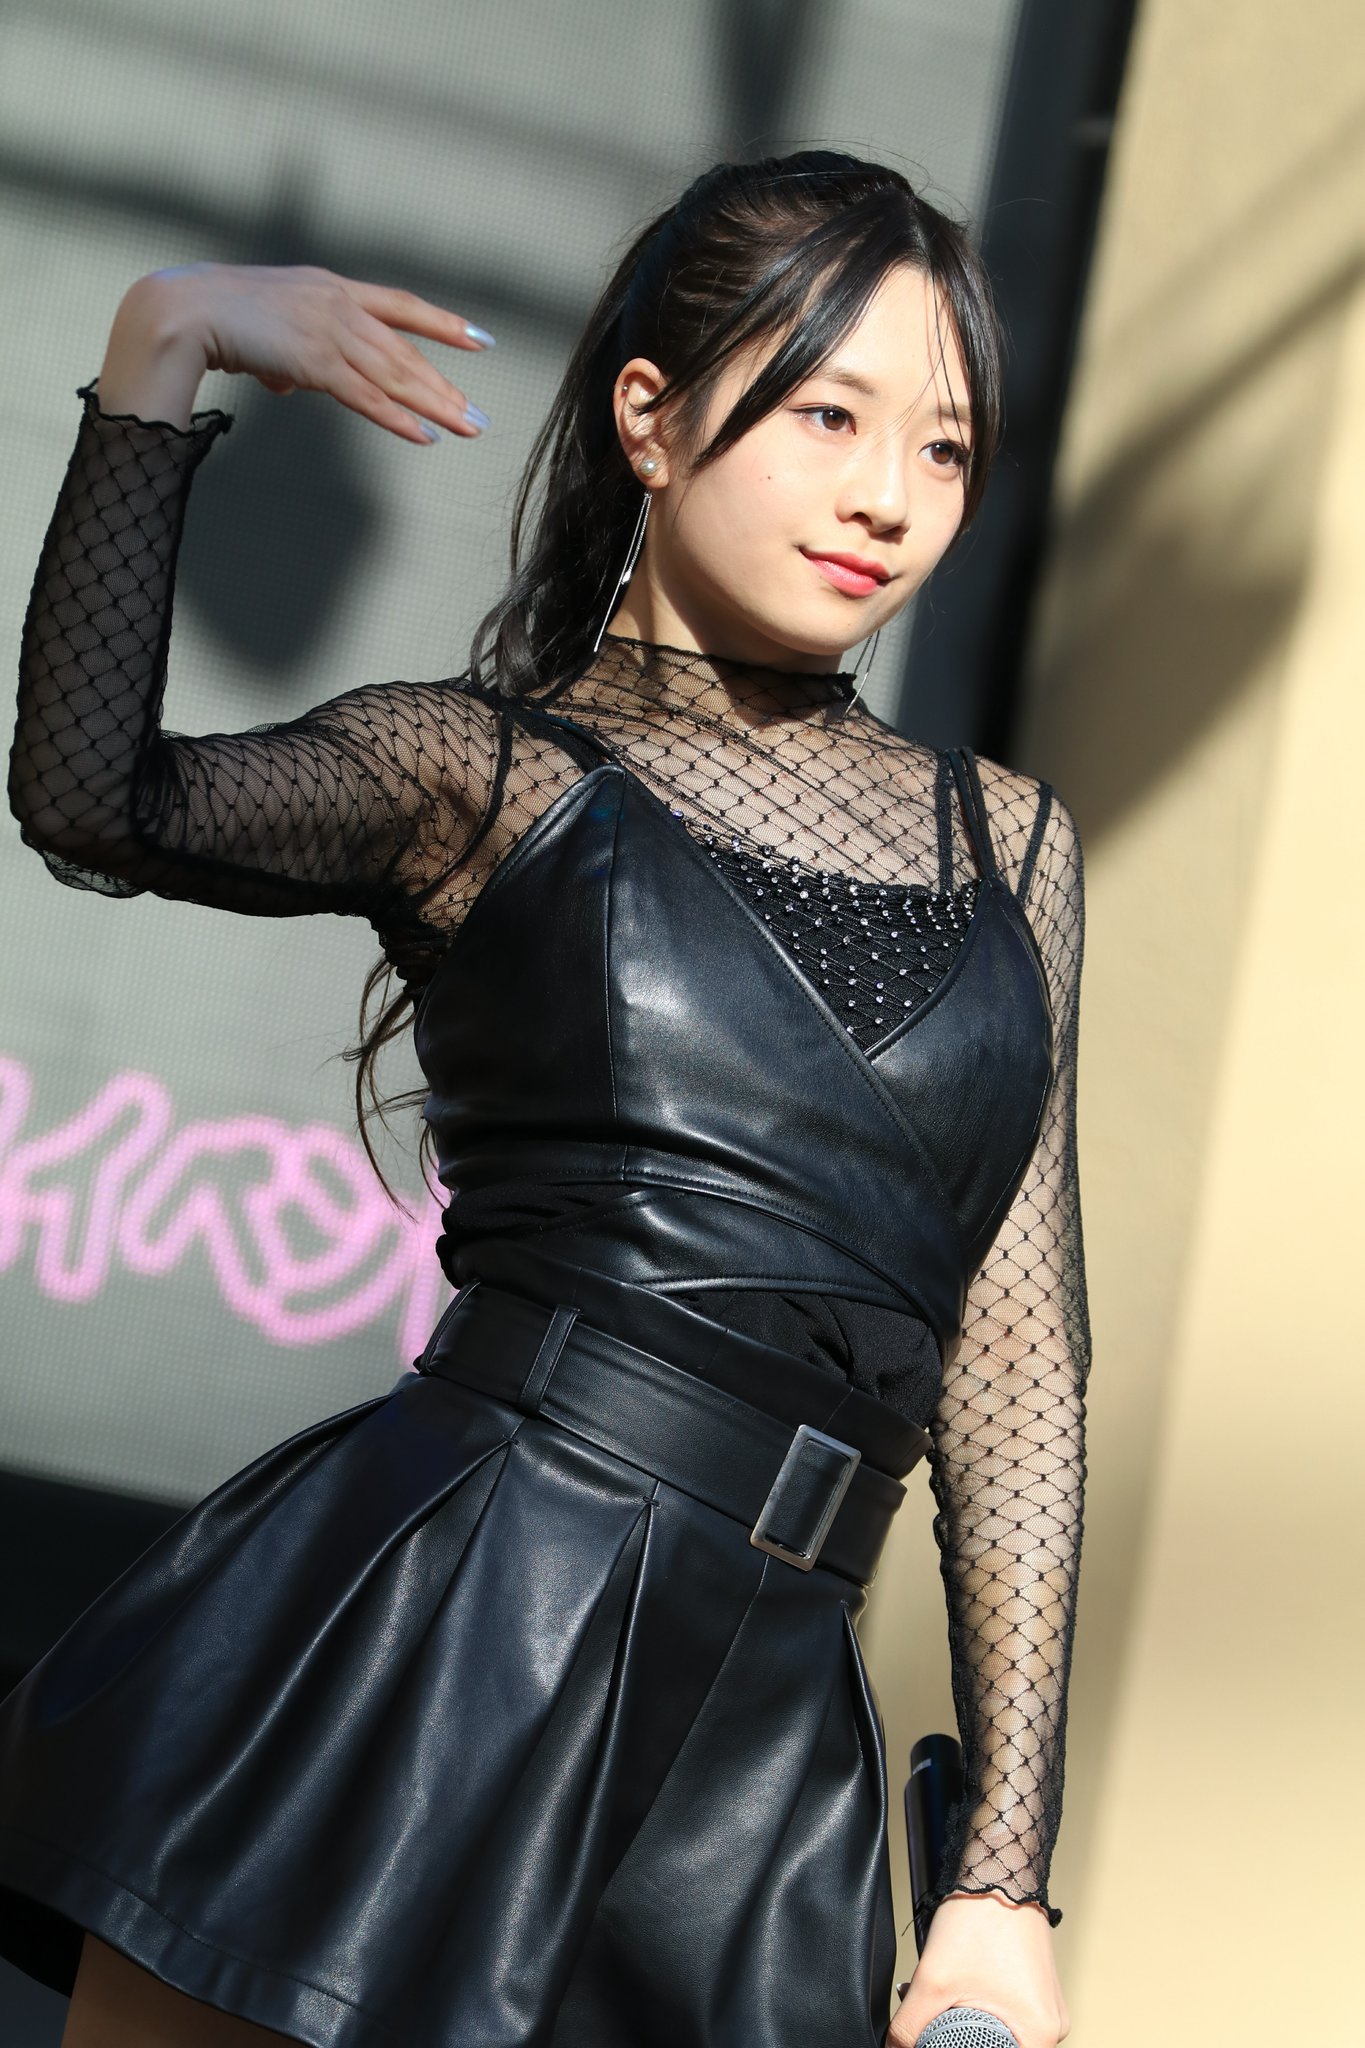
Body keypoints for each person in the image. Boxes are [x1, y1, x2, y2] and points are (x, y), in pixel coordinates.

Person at [0, 151, 1087, 2048]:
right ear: (648, 419)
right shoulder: (484, 776)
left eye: (943, 445)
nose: (887, 497)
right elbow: (98, 802)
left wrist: (1000, 1879)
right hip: (442, 1639)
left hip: (761, 1739)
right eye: (827, 414)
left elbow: (1015, 1349)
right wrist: (163, 347)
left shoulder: (1010, 846)